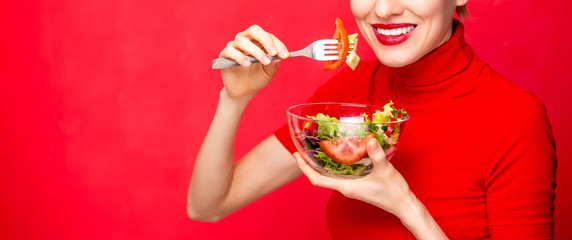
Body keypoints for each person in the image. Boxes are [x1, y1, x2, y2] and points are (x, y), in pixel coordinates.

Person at [187, 0, 557, 238]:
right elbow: (209, 206)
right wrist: (234, 100)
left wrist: (405, 205)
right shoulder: (352, 89)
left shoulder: (513, 118)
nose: (382, 10)